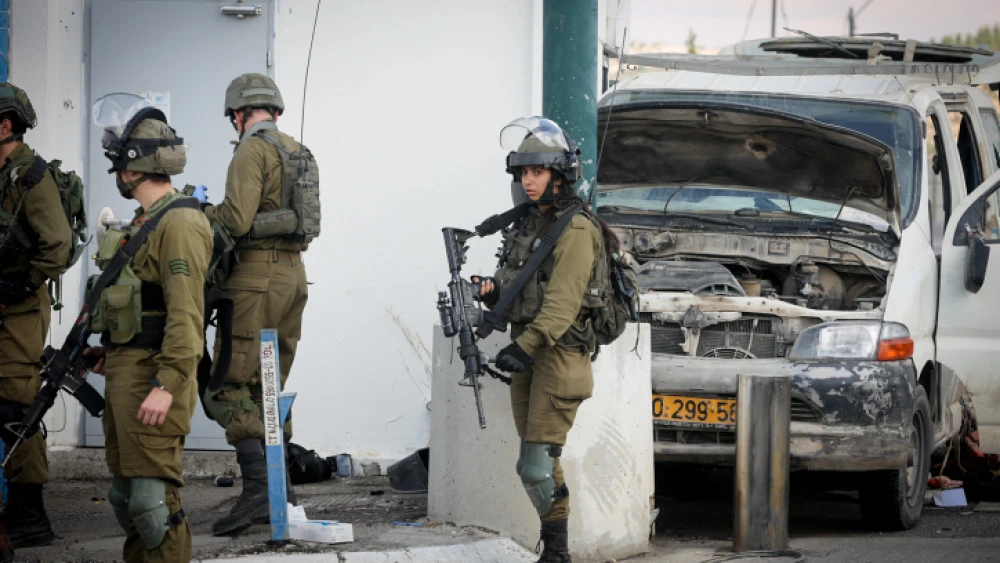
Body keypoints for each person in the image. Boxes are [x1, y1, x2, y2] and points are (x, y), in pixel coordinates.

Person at [475, 117, 621, 563]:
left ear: (560, 176)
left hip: (559, 356)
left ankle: (558, 553)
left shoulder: (576, 231)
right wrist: (492, 290)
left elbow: (561, 304)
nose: (528, 180)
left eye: (537, 172)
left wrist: (524, 346)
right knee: (538, 463)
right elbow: (521, 284)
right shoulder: (530, 226)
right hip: (533, 351)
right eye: (523, 172)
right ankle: (555, 549)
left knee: (536, 465)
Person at [86, 93, 212, 562]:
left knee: (152, 503)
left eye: (118, 163)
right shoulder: (146, 220)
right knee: (126, 500)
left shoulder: (178, 223)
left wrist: (167, 384)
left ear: (132, 167)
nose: (117, 173)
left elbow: (186, 315)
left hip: (153, 378)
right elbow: (147, 304)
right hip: (128, 369)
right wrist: (111, 348)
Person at [202, 72, 313, 536]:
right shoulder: (299, 150)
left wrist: (194, 211)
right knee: (271, 384)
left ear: (239, 114)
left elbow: (235, 218)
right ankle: (279, 491)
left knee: (231, 384)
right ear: (276, 109)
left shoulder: (250, 149)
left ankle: (255, 495)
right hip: (293, 275)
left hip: (255, 278)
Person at [0, 82, 72, 548]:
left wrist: (23, 286)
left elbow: (58, 244)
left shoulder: (32, 177)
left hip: (20, 313)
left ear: (5, 125)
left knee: (17, 408)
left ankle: (30, 516)